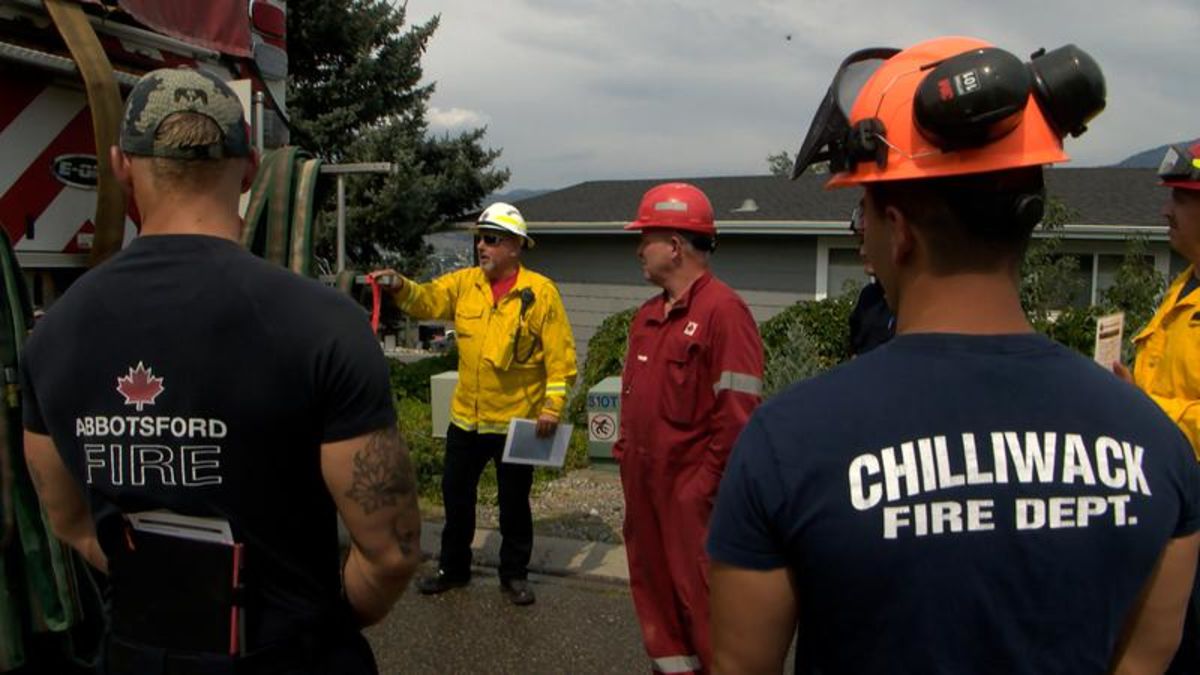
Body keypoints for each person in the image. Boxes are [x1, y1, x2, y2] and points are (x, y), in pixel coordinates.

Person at [708, 37, 1200, 674]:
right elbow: (1144, 661)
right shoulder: (1155, 445)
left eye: (864, 215)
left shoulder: (789, 445)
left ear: (900, 230)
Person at [20, 68, 420, 674]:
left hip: (137, 653)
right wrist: (326, 617)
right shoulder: (324, 325)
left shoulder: (51, 335)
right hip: (292, 653)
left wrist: (175, 596)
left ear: (121, 165)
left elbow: (70, 523)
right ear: (252, 166)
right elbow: (392, 551)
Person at [376, 202, 576, 606]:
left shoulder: (540, 294)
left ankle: (514, 574)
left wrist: (552, 408)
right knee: (456, 498)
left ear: (515, 246)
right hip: (467, 419)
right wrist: (399, 285)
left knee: (514, 504)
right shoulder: (465, 284)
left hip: (517, 422)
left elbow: (561, 360)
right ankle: (453, 569)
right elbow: (428, 300)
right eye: (479, 239)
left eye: (491, 239)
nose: (481, 246)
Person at [614, 182, 764, 673]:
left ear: (675, 246)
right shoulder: (647, 317)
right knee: (659, 616)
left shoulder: (724, 313)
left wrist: (701, 490)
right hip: (646, 498)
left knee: (705, 616)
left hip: (692, 507)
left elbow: (738, 419)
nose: (639, 249)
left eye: (646, 238)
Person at [1115, 140, 1200, 674]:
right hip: (1173, 498)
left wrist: (1146, 413)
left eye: (1182, 199)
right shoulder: (1183, 287)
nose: (1166, 211)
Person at [847, 204, 895, 356]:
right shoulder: (869, 298)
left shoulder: (918, 302)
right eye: (860, 242)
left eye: (868, 241)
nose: (862, 251)